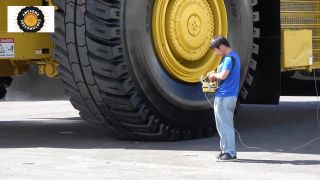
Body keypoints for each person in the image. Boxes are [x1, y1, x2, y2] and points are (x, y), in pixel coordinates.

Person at [207, 35, 240, 161]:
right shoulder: (234, 57)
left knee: (225, 126)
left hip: (225, 97)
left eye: (215, 50)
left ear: (221, 46)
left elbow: (224, 75)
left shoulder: (228, 59)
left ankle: (230, 153)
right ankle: (225, 151)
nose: (215, 53)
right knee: (223, 125)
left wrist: (214, 75)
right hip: (228, 96)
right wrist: (214, 73)